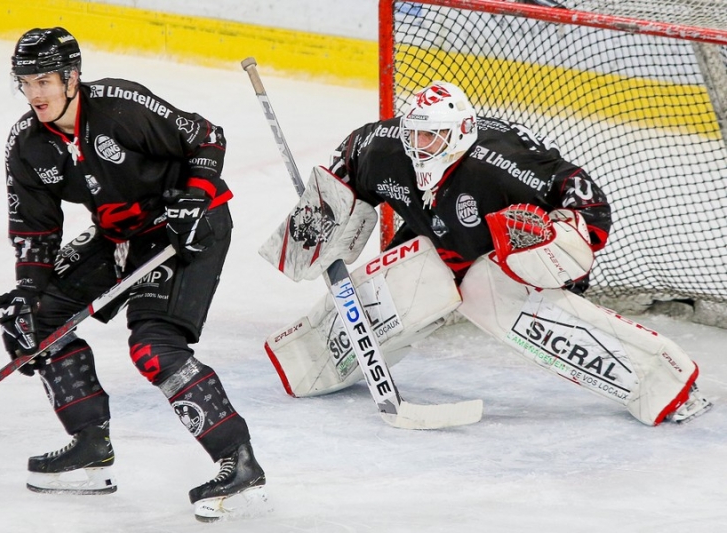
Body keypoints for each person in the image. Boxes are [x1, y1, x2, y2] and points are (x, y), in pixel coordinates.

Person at [266, 80, 711, 426]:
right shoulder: (383, 147)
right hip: (433, 240)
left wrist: (566, 237)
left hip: (498, 257)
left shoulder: (501, 163)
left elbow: (582, 195)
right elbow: (348, 162)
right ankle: (309, 361)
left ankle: (662, 382)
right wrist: (320, 220)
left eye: (432, 138)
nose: (419, 148)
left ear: (460, 133)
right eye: (414, 135)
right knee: (409, 284)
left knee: (500, 300)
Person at [0, 27, 267, 519]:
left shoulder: (122, 106)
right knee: (39, 321)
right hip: (121, 235)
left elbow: (207, 136)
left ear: (71, 76)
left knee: (153, 346)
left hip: (187, 224)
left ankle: (237, 461)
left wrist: (195, 195)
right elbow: (35, 231)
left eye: (44, 81)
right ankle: (90, 447)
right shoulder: (28, 144)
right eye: (26, 83)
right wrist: (25, 295)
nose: (35, 94)